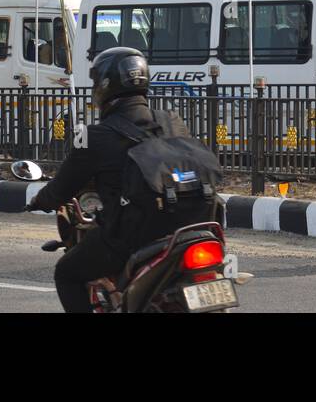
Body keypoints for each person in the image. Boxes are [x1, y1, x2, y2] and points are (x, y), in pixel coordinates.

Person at [26, 47, 217, 313]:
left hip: (133, 237)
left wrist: (39, 200)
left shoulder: (93, 135)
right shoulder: (172, 121)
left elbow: (61, 188)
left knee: (66, 273)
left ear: (104, 86)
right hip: (193, 226)